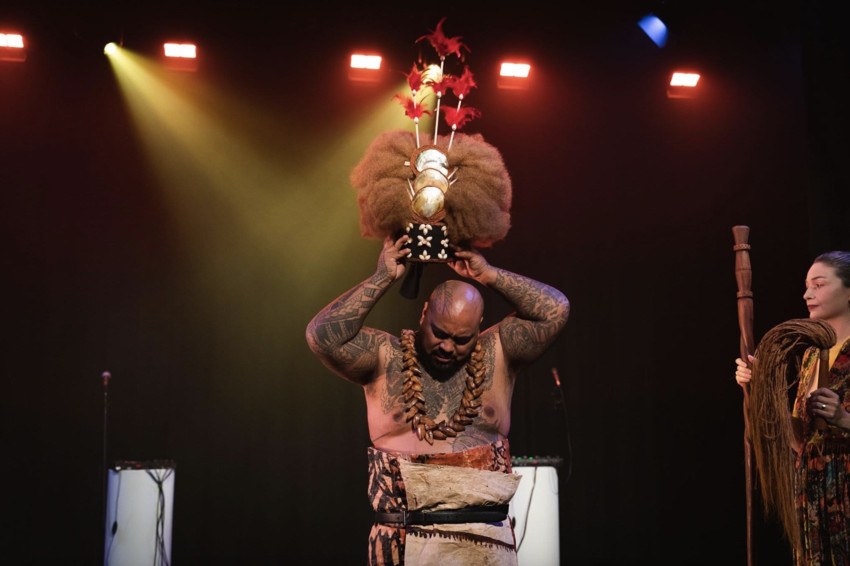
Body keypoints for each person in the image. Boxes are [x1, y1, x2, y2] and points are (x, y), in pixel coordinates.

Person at [305, 234, 569, 566]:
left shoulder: (498, 352)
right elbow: (321, 336)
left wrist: (488, 275)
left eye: (461, 339)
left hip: (485, 544)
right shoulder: (385, 357)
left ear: (479, 329)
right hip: (402, 541)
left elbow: (556, 309)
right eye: (439, 333)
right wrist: (381, 278)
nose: (447, 347)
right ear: (424, 314)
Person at [735, 251, 850, 565]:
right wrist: (761, 388)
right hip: (812, 490)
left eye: (818, 284)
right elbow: (801, 440)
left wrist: (843, 419)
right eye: (806, 285)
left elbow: (840, 423)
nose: (807, 294)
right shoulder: (812, 355)